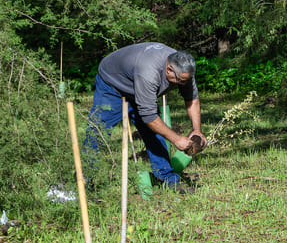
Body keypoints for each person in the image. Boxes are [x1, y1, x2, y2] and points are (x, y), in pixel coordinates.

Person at [84, 42, 206, 193]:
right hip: (112, 85)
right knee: (98, 132)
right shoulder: (149, 71)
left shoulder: (184, 70)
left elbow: (192, 99)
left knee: (155, 133)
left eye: (186, 81)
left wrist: (197, 130)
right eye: (180, 81)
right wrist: (176, 139)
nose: (183, 84)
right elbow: (149, 117)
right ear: (169, 69)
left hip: (140, 86)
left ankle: (168, 179)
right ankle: (83, 182)